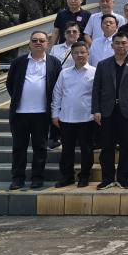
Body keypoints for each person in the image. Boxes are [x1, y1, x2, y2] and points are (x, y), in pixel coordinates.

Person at [6, 31, 63, 190]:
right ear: (29, 44)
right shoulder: (18, 62)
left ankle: (37, 178)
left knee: (40, 147)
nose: (38, 43)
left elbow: (58, 87)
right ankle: (18, 178)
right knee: (19, 148)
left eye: (42, 40)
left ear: (47, 44)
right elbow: (10, 84)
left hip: (42, 114)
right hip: (20, 113)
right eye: (35, 40)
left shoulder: (54, 62)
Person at [91, 32, 128, 190]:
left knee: (127, 147)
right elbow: (96, 89)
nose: (120, 46)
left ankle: (123, 178)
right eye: (117, 43)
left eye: (124, 43)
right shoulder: (103, 65)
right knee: (106, 147)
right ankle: (107, 178)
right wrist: (96, 110)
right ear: (112, 45)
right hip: (107, 112)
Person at [51, 41, 95, 188]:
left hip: (87, 118)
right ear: (72, 55)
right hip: (66, 118)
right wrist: (55, 114)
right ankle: (67, 176)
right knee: (67, 150)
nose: (79, 55)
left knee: (86, 150)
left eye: (82, 52)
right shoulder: (64, 73)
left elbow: (98, 95)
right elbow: (57, 94)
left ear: (88, 53)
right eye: (76, 52)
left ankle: (84, 176)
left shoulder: (95, 72)